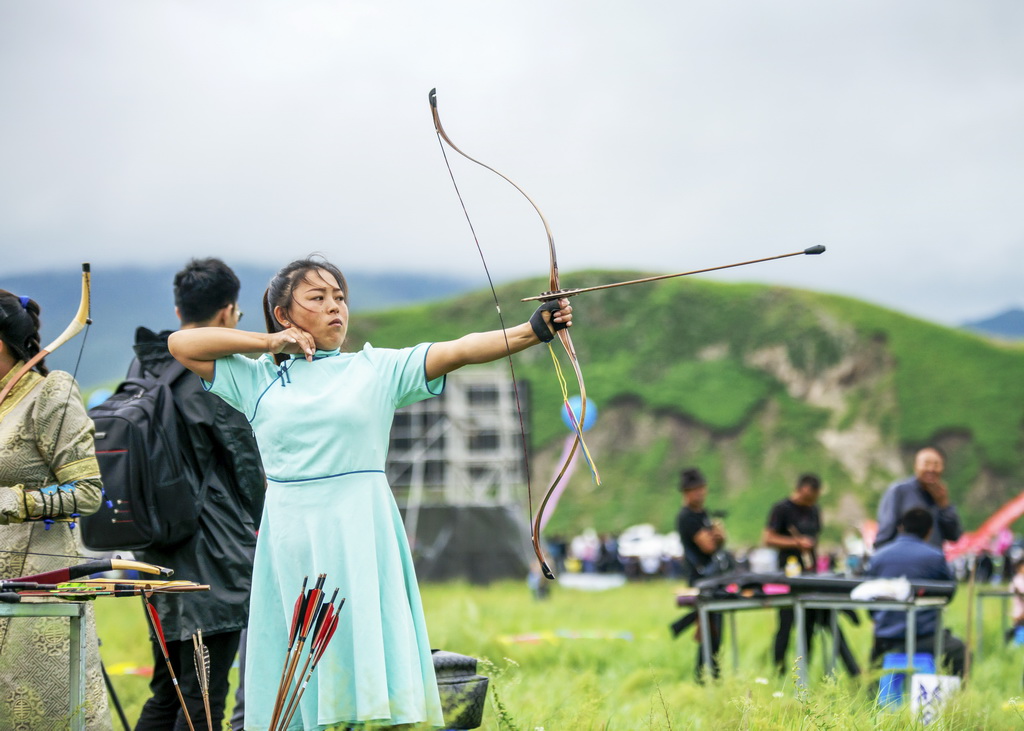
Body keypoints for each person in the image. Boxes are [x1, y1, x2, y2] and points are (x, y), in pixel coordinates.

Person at [168, 255, 575, 729]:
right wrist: (269, 343)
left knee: (368, 662)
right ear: (284, 314)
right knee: (297, 671)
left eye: (340, 297)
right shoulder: (256, 378)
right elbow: (181, 342)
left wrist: (534, 331)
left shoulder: (375, 369)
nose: (335, 307)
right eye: (317, 298)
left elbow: (460, 349)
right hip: (293, 540)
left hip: (362, 531)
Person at [133, 259, 265, 731]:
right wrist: (268, 521)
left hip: (153, 548)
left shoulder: (145, 366)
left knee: (168, 692)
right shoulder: (210, 373)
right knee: (203, 697)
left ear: (177, 308)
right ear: (229, 313)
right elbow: (246, 463)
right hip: (214, 557)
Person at [0, 289, 112, 730]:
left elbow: (87, 492)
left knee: (46, 713)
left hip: (40, 586)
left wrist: (14, 501)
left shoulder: (50, 392)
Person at [764, 473, 860, 676]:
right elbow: (768, 538)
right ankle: (778, 669)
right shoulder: (782, 509)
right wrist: (796, 543)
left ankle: (803, 671)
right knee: (786, 623)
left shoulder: (814, 510)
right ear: (800, 490)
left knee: (809, 624)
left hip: (811, 574)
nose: (810, 502)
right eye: (808, 498)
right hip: (788, 575)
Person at [866, 507, 966, 676]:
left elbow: (867, 595)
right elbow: (949, 593)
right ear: (929, 531)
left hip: (886, 639)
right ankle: (954, 698)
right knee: (957, 650)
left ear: (901, 527)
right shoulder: (935, 557)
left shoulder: (878, 556)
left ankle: (872, 696)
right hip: (924, 637)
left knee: (875, 665)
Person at [675, 467, 727, 680]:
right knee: (708, 630)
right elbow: (707, 546)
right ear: (687, 492)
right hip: (701, 579)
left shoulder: (702, 514)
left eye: (702, 489)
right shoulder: (687, 517)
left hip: (712, 578)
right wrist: (715, 536)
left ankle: (710, 674)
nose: (701, 493)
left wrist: (718, 536)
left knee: (713, 630)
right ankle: (703, 676)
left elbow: (719, 542)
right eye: (696, 490)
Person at [875, 446, 962, 550]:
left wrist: (944, 506)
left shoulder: (940, 495)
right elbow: (886, 531)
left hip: (931, 559)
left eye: (936, 464)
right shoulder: (899, 491)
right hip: (905, 559)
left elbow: (954, 536)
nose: (931, 469)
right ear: (915, 466)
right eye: (926, 464)